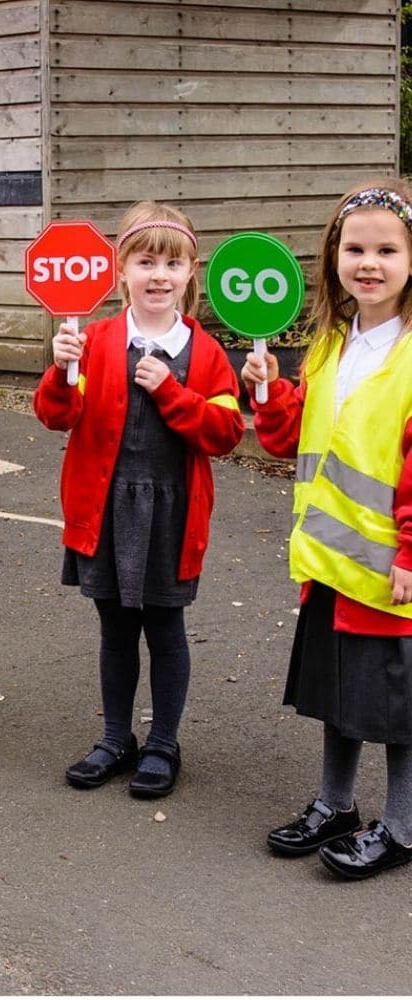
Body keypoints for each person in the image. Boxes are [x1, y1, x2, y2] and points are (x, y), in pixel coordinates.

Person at [34, 201, 244, 798]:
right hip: (104, 508)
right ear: (120, 269)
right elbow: (56, 417)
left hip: (171, 513)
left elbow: (226, 434)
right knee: (115, 629)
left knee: (166, 627)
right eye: (145, 261)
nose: (158, 275)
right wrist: (60, 371)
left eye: (171, 263)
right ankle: (115, 737)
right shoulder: (93, 339)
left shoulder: (202, 352)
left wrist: (174, 393)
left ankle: (163, 743)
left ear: (190, 272)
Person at [243, 179, 412, 879]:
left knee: (399, 710)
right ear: (334, 256)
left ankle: (402, 827)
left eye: (387, 249)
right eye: (355, 247)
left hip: (390, 573)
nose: (368, 262)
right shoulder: (327, 345)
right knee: (338, 697)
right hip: (329, 567)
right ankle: (335, 804)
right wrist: (265, 389)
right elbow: (288, 439)